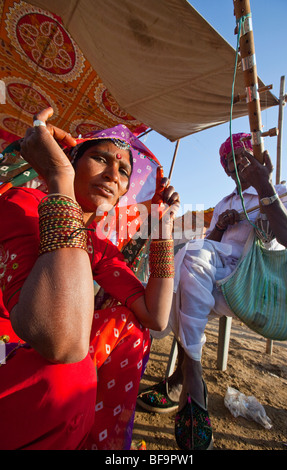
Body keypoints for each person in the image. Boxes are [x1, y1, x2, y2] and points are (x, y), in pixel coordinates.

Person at [0, 107, 180, 450]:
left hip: (41, 351)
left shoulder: (96, 243)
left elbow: (155, 315)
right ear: (70, 161)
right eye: (100, 158)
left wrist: (164, 230)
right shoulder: (22, 203)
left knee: (129, 323)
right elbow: (58, 340)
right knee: (68, 374)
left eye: (124, 170)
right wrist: (57, 177)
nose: (114, 175)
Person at [137, 132, 287, 450]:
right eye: (227, 160)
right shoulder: (227, 200)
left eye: (240, 156)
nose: (233, 164)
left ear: (253, 157)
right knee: (175, 279)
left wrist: (265, 186)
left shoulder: (278, 191)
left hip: (257, 283)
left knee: (191, 256)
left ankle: (189, 377)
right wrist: (221, 227)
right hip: (222, 284)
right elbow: (210, 243)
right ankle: (182, 377)